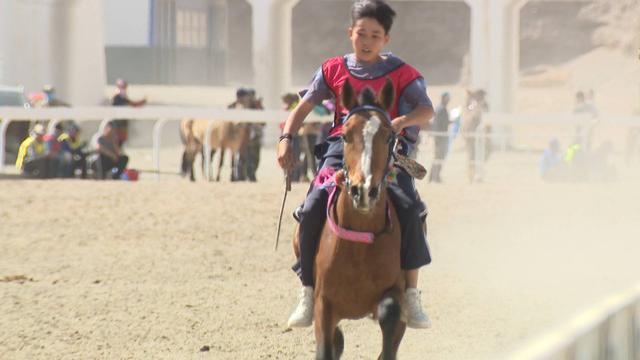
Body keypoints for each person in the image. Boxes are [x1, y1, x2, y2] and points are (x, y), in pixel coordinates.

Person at [277, 0, 433, 329]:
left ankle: (411, 294)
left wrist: (402, 120)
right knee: (312, 206)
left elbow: (426, 110)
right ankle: (307, 290)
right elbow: (302, 108)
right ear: (350, 33)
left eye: (375, 35)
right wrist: (286, 138)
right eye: (362, 33)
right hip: (341, 147)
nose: (367, 41)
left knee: (409, 207)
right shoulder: (332, 69)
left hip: (386, 148)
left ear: (386, 39)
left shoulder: (403, 73)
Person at [111, 78, 147, 146]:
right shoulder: (116, 98)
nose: (123, 88)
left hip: (123, 126)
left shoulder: (123, 97)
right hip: (117, 126)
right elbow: (130, 105)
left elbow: (133, 105)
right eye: (122, 87)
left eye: (124, 87)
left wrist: (142, 102)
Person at [429, 92, 452, 183]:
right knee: (438, 157)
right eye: (447, 98)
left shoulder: (441, 109)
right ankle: (434, 177)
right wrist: (437, 138)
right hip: (440, 137)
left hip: (440, 137)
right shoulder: (441, 109)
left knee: (439, 157)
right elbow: (437, 124)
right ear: (443, 98)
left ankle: (434, 176)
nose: (448, 100)